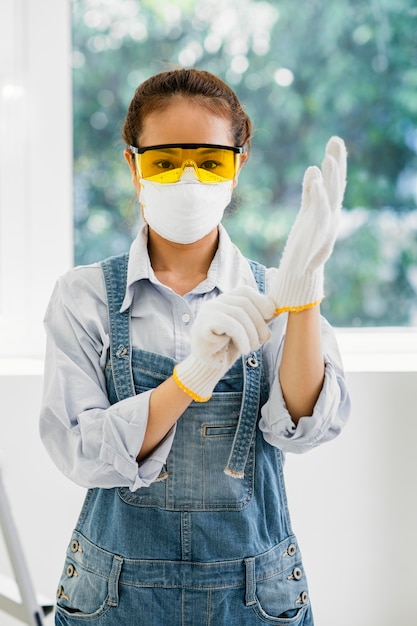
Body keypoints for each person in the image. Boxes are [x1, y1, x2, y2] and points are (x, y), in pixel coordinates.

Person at [40, 68, 350, 626]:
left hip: (257, 596)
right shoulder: (82, 297)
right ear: (133, 165)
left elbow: (303, 427)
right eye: (164, 161)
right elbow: (82, 451)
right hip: (113, 597)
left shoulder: (273, 294)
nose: (188, 179)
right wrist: (191, 377)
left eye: (210, 161)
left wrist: (302, 294)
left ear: (240, 164)